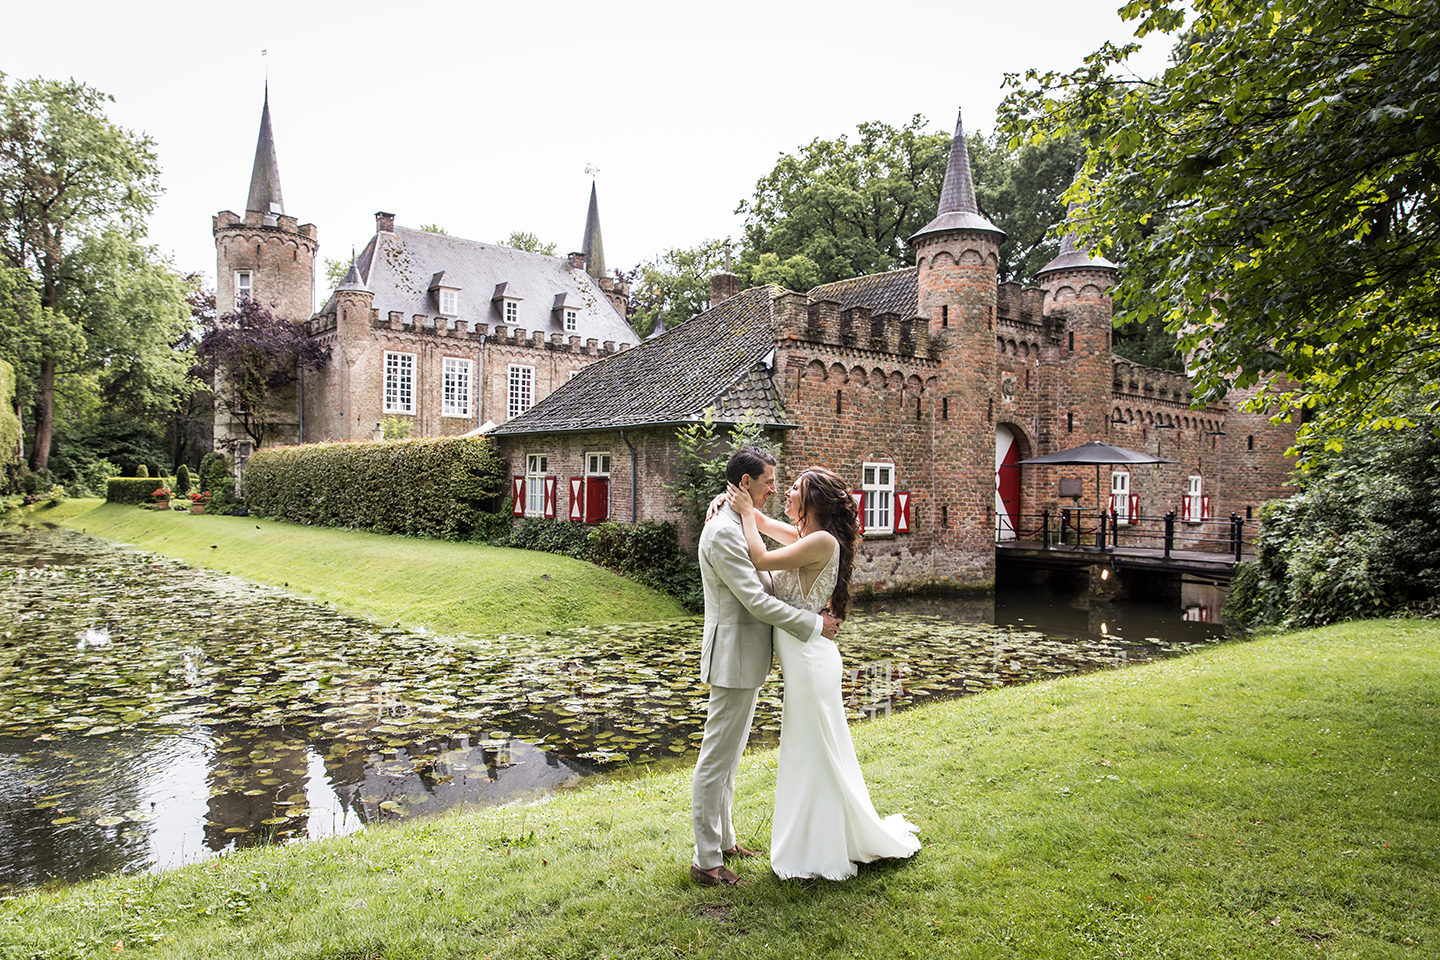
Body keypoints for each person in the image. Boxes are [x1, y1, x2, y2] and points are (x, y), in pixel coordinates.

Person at [727, 466, 920, 880]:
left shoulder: (819, 541)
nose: (787, 492)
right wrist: (732, 504)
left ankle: (821, 847)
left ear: (812, 501)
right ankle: (822, 838)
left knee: (813, 752)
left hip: (811, 662)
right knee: (813, 750)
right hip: (805, 658)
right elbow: (761, 522)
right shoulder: (806, 537)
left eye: (795, 488)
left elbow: (759, 554)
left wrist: (744, 516)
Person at [691, 446, 841, 887]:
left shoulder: (738, 520)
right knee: (716, 760)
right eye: (768, 481)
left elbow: (770, 564)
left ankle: (725, 842)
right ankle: (705, 861)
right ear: (745, 483)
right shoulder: (721, 533)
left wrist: (736, 508)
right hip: (732, 657)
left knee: (731, 757)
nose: (775, 488)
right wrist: (814, 623)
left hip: (749, 656)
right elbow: (756, 599)